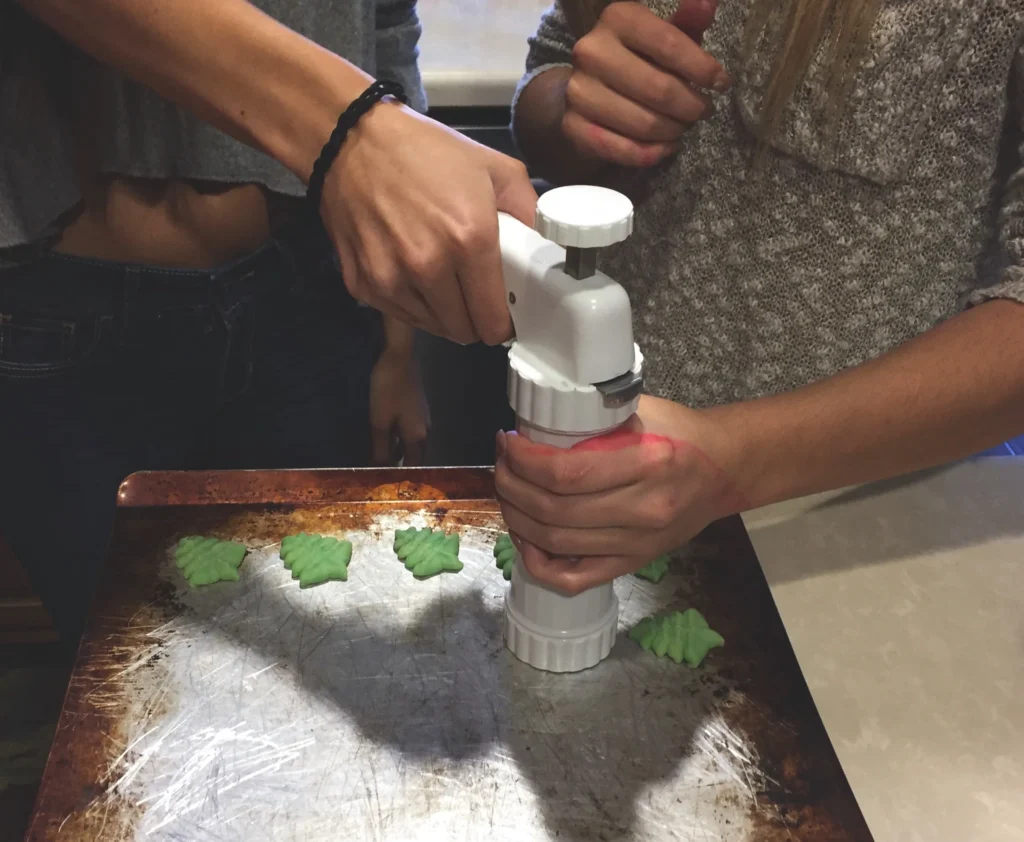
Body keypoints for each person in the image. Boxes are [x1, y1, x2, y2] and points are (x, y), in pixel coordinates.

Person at [0, 0, 536, 644]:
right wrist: (352, 127)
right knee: (118, 652)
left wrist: (397, 351)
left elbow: (386, 28)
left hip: (309, 295)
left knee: (325, 637)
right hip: (61, 318)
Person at [496, 0, 1024, 593]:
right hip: (595, 499)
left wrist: (731, 460)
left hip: (847, 537)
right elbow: (552, 75)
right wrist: (578, 111)